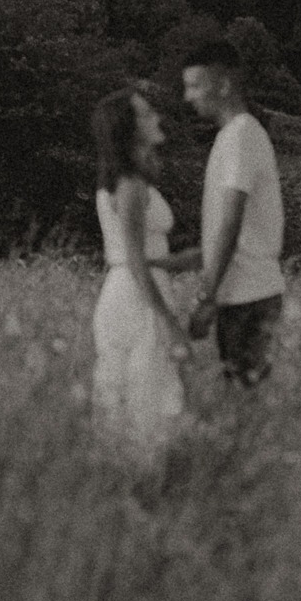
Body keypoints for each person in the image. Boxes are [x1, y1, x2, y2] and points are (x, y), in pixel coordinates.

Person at [91, 86, 191, 466]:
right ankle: (142, 489)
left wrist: (179, 263)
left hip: (130, 287)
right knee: (144, 402)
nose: (157, 118)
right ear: (128, 129)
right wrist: (169, 322)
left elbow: (139, 255)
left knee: (136, 397)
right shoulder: (130, 185)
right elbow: (134, 258)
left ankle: (136, 489)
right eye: (146, 114)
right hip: (134, 295)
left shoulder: (127, 180)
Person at [181, 39, 285, 387]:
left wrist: (206, 296)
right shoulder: (233, 136)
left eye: (195, 85)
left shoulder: (241, 135)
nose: (188, 96)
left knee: (244, 403)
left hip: (248, 295)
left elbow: (230, 222)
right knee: (241, 399)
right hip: (242, 293)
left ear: (224, 85)